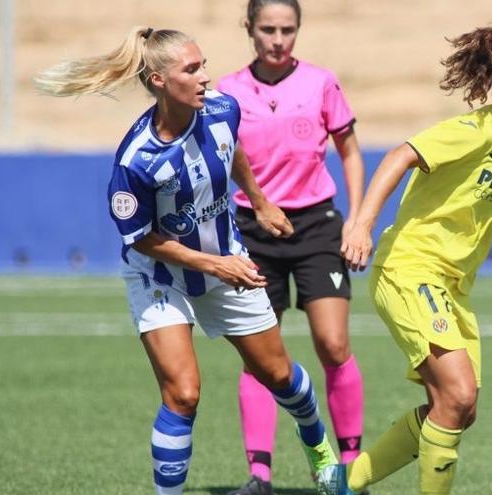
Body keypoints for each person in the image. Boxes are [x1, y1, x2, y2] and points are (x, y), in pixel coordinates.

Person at [34, 26, 338, 494]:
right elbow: (141, 239)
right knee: (183, 393)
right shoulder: (136, 160)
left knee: (279, 375)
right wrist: (215, 267)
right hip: (160, 277)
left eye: (204, 65)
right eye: (191, 69)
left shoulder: (222, 108)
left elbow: (232, 149)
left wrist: (258, 200)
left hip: (224, 260)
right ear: (158, 80)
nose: (204, 78)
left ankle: (320, 451)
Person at [317, 23, 492, 495]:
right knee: (457, 394)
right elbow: (402, 155)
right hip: (409, 269)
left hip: (453, 286)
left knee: (458, 409)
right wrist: (361, 223)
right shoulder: (477, 130)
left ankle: (345, 482)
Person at [216, 2, 366, 494]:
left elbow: (350, 151)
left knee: (333, 344)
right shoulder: (227, 92)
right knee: (262, 357)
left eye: (288, 30)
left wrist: (357, 221)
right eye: (268, 30)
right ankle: (259, 475)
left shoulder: (321, 82)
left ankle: (350, 468)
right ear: (249, 29)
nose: (278, 40)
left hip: (317, 226)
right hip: (253, 229)